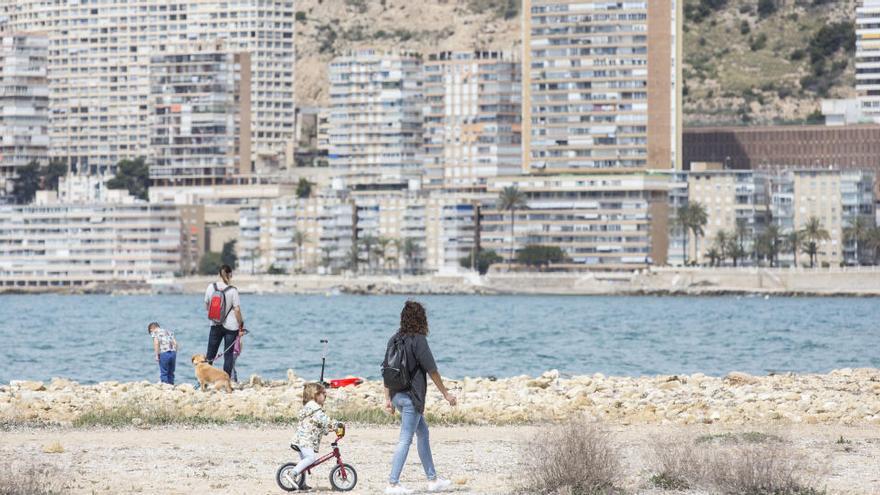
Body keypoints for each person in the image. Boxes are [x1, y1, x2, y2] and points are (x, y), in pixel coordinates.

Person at [383, 301, 456, 495]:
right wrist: (446, 393)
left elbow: (386, 371)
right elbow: (432, 370)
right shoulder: (419, 340)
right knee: (405, 439)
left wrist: (388, 399)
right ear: (421, 318)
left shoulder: (394, 339)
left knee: (423, 432)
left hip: (397, 395)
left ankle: (433, 480)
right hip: (411, 399)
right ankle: (392, 483)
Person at [288, 382, 336, 491]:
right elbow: (323, 419)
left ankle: (301, 483)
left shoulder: (311, 408)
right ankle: (293, 473)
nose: (325, 396)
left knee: (305, 463)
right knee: (310, 458)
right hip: (305, 440)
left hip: (301, 439)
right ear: (315, 395)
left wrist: (329, 429)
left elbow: (318, 424)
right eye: (323, 393)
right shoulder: (314, 407)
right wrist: (336, 424)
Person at [204, 264, 245, 379]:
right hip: (231, 327)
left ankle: (206, 381)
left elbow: (206, 305)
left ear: (218, 274)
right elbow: (237, 310)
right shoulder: (233, 290)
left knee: (210, 354)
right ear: (230, 274)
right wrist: (241, 324)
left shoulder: (210, 287)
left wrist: (216, 315)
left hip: (215, 324)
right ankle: (226, 380)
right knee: (228, 355)